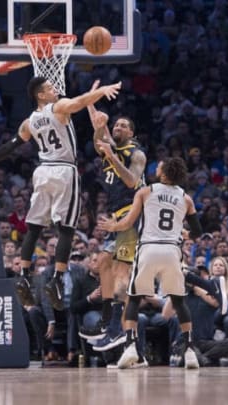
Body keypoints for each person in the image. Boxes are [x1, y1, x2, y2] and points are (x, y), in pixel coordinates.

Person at [0, 77, 121, 311]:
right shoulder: (57, 107)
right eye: (50, 88)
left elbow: (11, 146)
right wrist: (101, 91)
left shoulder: (30, 122)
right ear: (41, 95)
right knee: (67, 228)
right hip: (64, 171)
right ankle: (58, 280)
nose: (55, 89)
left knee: (34, 227)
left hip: (42, 172)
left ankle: (25, 276)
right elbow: (78, 102)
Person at [98, 157, 204, 369]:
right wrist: (182, 232)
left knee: (135, 299)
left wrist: (112, 226)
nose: (157, 167)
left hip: (148, 248)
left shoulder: (146, 192)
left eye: (160, 166)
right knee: (179, 301)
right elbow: (198, 232)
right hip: (172, 250)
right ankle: (190, 350)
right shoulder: (186, 198)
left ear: (164, 173)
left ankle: (130, 346)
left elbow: (128, 222)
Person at [79, 107, 146, 352]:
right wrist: (92, 107)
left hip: (133, 216)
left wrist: (111, 154)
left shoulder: (136, 154)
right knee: (103, 263)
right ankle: (108, 322)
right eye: (115, 126)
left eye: (123, 126)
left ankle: (120, 333)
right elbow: (100, 137)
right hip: (117, 216)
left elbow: (131, 181)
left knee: (121, 278)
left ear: (131, 133)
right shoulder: (111, 148)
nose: (117, 128)